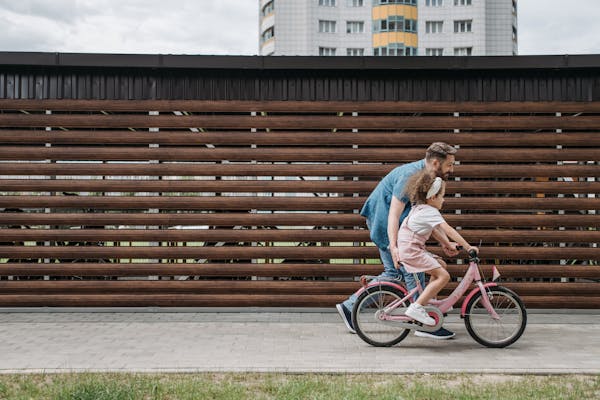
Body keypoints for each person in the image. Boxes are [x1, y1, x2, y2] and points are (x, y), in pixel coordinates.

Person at [336, 142, 459, 339]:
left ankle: (350, 307)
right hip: (384, 221)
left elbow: (423, 217)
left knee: (395, 274)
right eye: (450, 165)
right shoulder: (410, 176)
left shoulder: (428, 177)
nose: (452, 169)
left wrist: (444, 242)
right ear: (436, 163)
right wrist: (394, 247)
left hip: (395, 224)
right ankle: (420, 321)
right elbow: (394, 214)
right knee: (412, 268)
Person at [399, 170, 478, 325]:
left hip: (411, 249)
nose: (444, 200)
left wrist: (447, 244)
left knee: (441, 265)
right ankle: (417, 307)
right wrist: (468, 247)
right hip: (412, 251)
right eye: (442, 196)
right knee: (444, 276)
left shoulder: (420, 208)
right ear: (433, 197)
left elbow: (434, 230)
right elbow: (447, 229)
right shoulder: (429, 210)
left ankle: (428, 302)